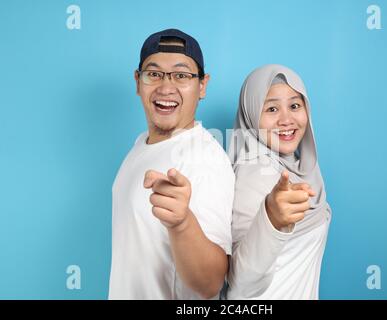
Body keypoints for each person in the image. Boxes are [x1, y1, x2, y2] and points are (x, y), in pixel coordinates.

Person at [108, 29, 234, 300]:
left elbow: (210, 283)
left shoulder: (205, 159)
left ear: (202, 86)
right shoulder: (142, 144)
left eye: (181, 75)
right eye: (153, 74)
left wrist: (182, 223)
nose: (166, 88)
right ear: (137, 82)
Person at [226, 64, 332, 299]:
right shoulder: (257, 170)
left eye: (295, 105)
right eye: (272, 109)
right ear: (251, 114)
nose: (287, 119)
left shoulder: (297, 166)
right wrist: (271, 219)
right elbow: (240, 283)